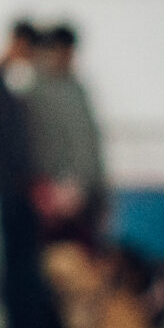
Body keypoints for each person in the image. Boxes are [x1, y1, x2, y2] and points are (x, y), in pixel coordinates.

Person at [0, 20, 67, 328]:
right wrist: (30, 182)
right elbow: (11, 146)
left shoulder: (8, 82)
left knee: (25, 272)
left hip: (18, 192)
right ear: (17, 43)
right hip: (13, 192)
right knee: (19, 273)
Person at [23, 23, 107, 249]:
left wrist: (97, 185)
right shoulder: (37, 92)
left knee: (87, 253)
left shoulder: (77, 88)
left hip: (89, 188)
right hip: (58, 194)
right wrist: (57, 186)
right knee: (60, 254)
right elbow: (40, 143)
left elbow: (89, 141)